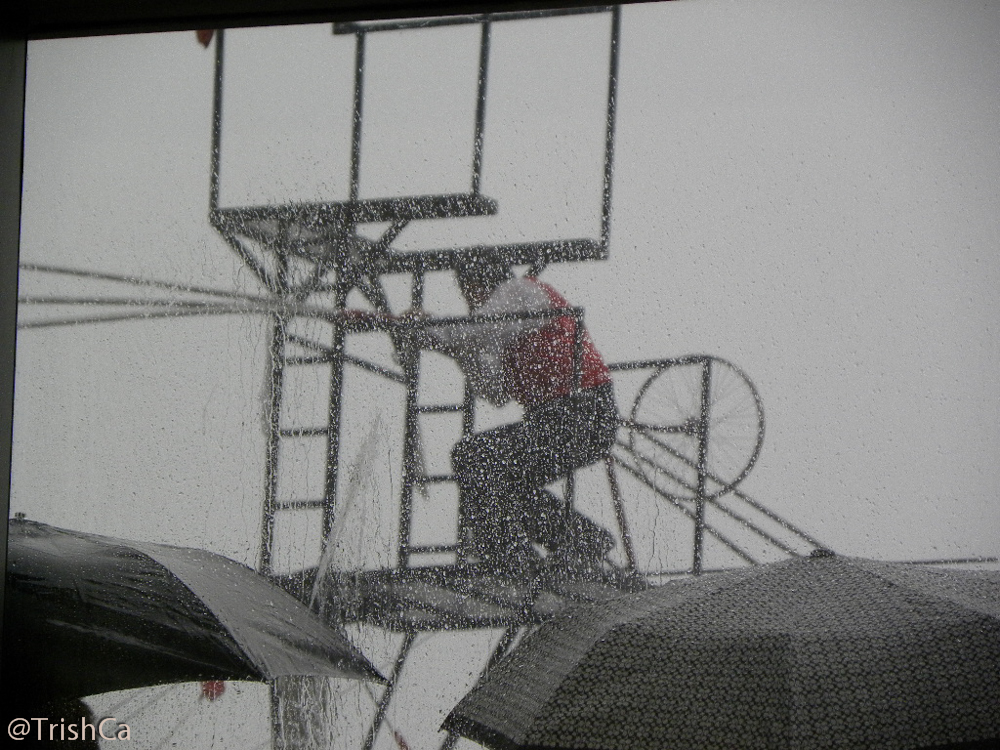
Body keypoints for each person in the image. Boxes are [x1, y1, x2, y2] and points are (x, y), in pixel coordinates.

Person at [417, 259, 618, 576]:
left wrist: (431, 329)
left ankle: (509, 559)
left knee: (475, 458)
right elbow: (495, 392)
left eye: (468, 292)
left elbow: (478, 329)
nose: (469, 303)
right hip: (563, 418)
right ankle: (579, 539)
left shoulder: (519, 292)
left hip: (580, 412)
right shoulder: (508, 326)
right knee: (498, 477)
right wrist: (455, 349)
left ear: (480, 284)